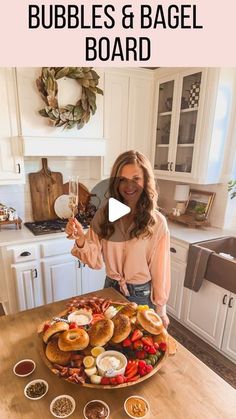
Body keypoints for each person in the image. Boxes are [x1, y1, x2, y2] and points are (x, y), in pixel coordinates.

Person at [65, 150, 171, 328]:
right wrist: (81, 239)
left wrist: (161, 310)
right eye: (122, 179)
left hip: (141, 296)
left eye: (136, 179)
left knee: (137, 350)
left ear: (145, 181)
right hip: (110, 290)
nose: (129, 186)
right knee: (110, 347)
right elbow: (95, 261)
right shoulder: (106, 214)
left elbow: (160, 270)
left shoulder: (157, 222)